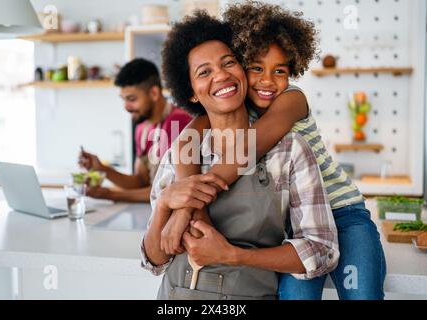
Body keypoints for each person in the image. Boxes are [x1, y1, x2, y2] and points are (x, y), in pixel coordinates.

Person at [165, 2, 386, 300]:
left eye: (279, 71)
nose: (267, 81)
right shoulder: (235, 105)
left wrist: (187, 207)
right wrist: (183, 200)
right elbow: (186, 141)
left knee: (364, 296)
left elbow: (249, 149)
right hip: (294, 228)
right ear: (241, 66)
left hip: (344, 215)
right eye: (256, 68)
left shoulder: (291, 99)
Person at [140, 11, 339, 300]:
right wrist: (164, 206)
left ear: (243, 70)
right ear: (192, 92)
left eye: (228, 63)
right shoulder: (181, 154)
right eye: (204, 72)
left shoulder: (288, 150)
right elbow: (155, 261)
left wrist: (233, 255)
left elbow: (322, 251)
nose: (220, 75)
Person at [79, 58, 193, 202]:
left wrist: (109, 194)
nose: (126, 107)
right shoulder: (141, 128)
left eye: (132, 99)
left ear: (154, 93)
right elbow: (141, 181)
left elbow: (171, 190)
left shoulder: (178, 122)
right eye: (124, 99)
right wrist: (102, 169)